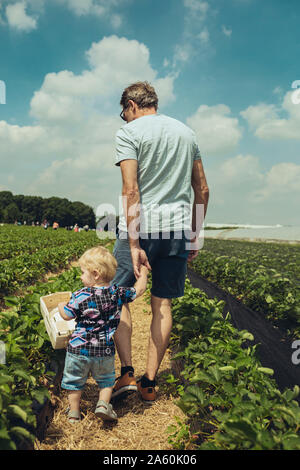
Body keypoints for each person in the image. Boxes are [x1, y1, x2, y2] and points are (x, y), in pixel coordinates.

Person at [111, 81, 209, 404]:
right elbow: (203, 190)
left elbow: (131, 191)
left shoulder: (130, 133)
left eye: (124, 113)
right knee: (162, 304)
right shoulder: (187, 133)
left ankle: (126, 371)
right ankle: (149, 383)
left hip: (139, 228)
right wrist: (194, 234)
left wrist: (135, 243)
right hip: (178, 229)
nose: (124, 119)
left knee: (116, 296)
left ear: (131, 105)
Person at [58, 245, 148, 423]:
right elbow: (139, 290)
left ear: (96, 273)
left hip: (78, 350)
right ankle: (102, 404)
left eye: (83, 272)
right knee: (106, 381)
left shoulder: (80, 295)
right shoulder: (117, 293)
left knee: (74, 382)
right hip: (104, 350)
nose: (81, 276)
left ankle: (74, 413)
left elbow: (66, 314)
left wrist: (61, 305)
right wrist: (143, 274)